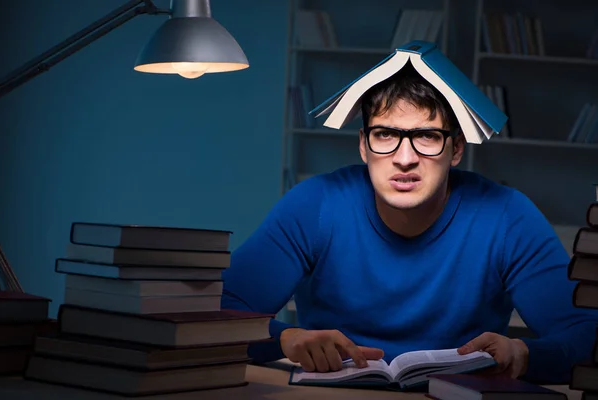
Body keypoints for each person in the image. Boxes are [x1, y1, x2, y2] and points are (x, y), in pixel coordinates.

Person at [221, 63, 598, 384]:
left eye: (427, 136)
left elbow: (586, 333)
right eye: (385, 134)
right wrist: (285, 338)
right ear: (363, 146)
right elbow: (217, 312)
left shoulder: (506, 215)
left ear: (456, 149)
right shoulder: (316, 204)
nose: (405, 158)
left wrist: (524, 353)